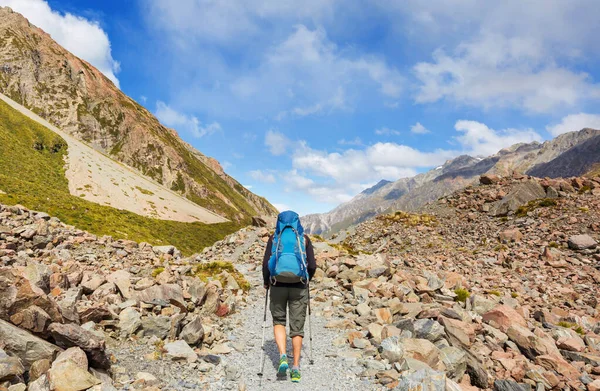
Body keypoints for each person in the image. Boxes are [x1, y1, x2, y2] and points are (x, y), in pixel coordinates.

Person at [262, 211, 316, 383]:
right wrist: (306, 280)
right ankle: (296, 367)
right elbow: (312, 265)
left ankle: (283, 356)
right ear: (297, 222)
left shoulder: (274, 238)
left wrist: (266, 282)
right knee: (297, 328)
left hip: (277, 285)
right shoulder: (304, 239)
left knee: (279, 321)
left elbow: (266, 264)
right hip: (299, 285)